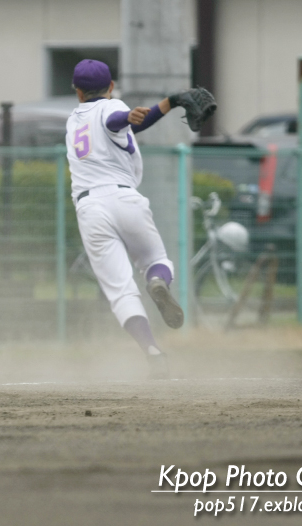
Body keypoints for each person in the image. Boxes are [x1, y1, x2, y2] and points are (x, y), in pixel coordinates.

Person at [65, 59, 194, 379]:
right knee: (156, 261)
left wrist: (127, 117)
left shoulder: (72, 122)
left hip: (90, 208)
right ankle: (157, 281)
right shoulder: (112, 107)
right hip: (125, 198)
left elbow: (116, 121)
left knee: (120, 291)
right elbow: (117, 119)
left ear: (77, 92)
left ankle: (152, 351)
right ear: (111, 87)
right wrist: (167, 103)